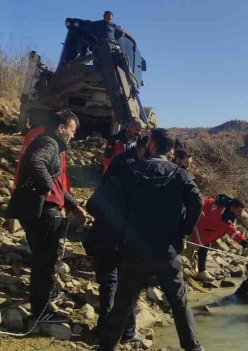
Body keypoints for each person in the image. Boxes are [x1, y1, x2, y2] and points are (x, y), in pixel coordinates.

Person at [98, 128, 203, 351]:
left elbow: (105, 202)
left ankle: (107, 347)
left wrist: (124, 226)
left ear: (151, 146)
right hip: (167, 250)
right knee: (179, 302)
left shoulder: (131, 170)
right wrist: (183, 231)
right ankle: (192, 348)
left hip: (135, 248)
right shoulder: (180, 174)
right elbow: (197, 202)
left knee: (123, 303)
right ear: (171, 150)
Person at [7, 110, 87, 322]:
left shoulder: (52, 145)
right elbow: (35, 162)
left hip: (39, 210)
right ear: (61, 128)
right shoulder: (49, 143)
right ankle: (41, 311)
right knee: (44, 263)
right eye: (72, 130)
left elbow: (59, 184)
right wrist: (47, 186)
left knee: (43, 260)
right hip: (42, 212)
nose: (73, 135)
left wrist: (73, 205)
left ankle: (41, 300)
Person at [84, 135, 149, 344]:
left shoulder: (111, 180)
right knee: (127, 285)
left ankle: (104, 329)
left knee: (109, 284)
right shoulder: (139, 185)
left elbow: (91, 206)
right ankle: (127, 332)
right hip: (125, 241)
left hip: (103, 237)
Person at [191, 197, 248, 282]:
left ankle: (201, 269)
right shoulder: (224, 216)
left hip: (202, 210)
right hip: (200, 218)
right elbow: (233, 233)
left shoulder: (227, 204)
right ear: (232, 208)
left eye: (241, 211)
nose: (240, 214)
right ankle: (201, 272)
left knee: (205, 243)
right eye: (238, 211)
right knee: (203, 244)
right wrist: (246, 244)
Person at [13, 126, 70, 193]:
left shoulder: (59, 142)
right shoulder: (44, 137)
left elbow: (61, 170)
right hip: (41, 193)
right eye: (72, 131)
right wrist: (48, 185)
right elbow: (31, 161)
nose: (73, 136)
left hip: (53, 192)